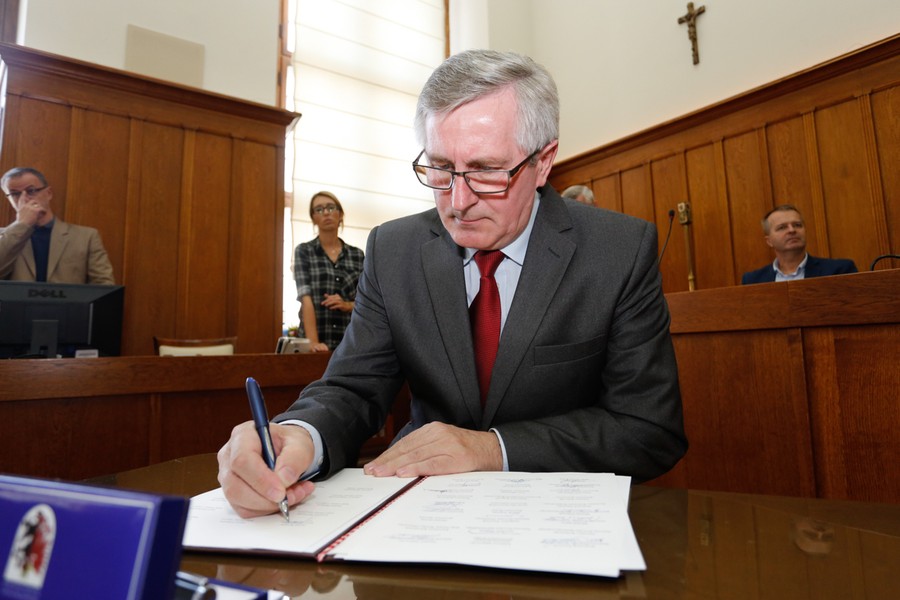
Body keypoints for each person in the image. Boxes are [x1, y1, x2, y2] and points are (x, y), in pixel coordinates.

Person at [218, 49, 686, 519]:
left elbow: (648, 429)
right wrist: (300, 435)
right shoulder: (394, 249)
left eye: (485, 170)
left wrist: (491, 448)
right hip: (422, 513)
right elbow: (354, 388)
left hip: (562, 520)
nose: (458, 202)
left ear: (543, 162)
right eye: (440, 167)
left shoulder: (618, 251)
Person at [0, 167, 115, 285]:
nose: (24, 198)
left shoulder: (86, 237)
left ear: (48, 193)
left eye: (31, 190)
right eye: (15, 194)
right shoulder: (3, 237)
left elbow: (104, 284)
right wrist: (22, 224)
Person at [292, 191, 365, 352]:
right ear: (313, 218)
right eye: (319, 209)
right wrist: (313, 343)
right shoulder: (304, 251)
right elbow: (305, 298)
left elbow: (366, 302)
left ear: (340, 214)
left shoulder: (358, 255)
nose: (326, 212)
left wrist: (347, 305)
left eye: (331, 207)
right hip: (315, 339)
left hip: (349, 341)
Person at [741, 204, 857, 285]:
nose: (792, 230)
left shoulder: (839, 271)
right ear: (769, 241)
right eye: (782, 227)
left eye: (797, 225)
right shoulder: (753, 280)